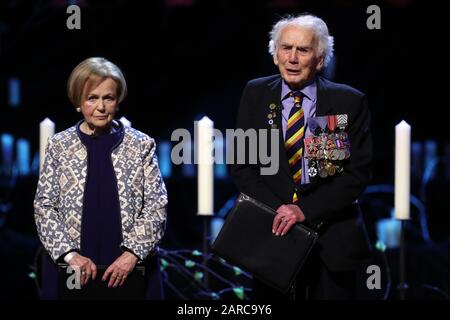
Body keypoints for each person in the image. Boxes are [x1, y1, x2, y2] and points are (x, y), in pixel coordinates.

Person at [230, 14, 373, 300]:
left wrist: (305, 210)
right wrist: (283, 212)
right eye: (286, 48)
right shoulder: (256, 93)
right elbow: (243, 166)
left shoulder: (348, 101)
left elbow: (356, 174)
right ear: (275, 55)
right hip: (274, 236)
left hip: (332, 244)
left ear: (319, 60)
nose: (292, 58)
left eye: (303, 50)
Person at [34, 57, 168, 299]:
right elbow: (44, 206)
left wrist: (132, 255)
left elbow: (157, 206)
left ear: (118, 101)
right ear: (78, 101)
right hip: (72, 271)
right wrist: (70, 255)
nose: (101, 107)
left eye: (108, 98)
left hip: (129, 271)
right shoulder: (59, 145)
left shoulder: (141, 145)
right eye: (92, 98)